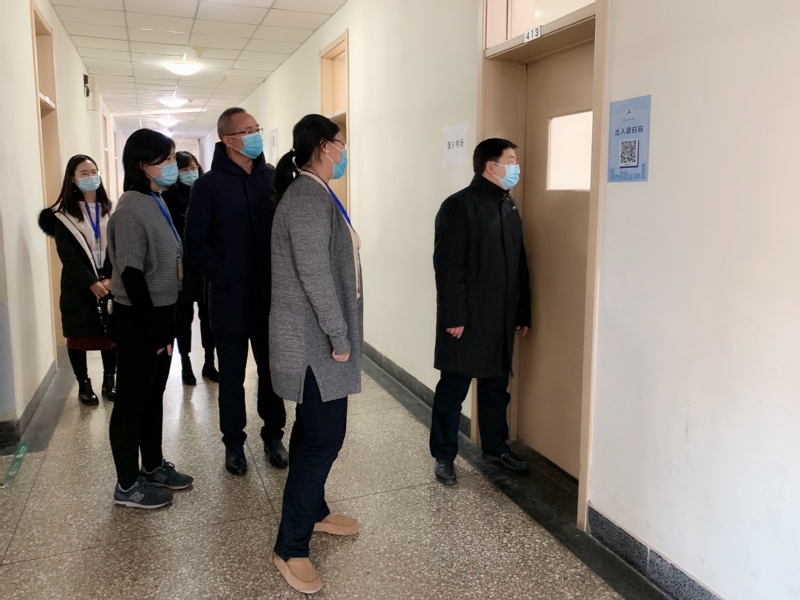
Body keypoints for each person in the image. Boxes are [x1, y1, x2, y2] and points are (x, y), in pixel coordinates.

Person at [269, 114, 362, 594]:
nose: (344, 153)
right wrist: (339, 336)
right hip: (313, 344)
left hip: (314, 339)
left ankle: (315, 511)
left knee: (310, 431)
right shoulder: (306, 196)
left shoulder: (315, 192)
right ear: (324, 146)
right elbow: (315, 275)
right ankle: (291, 547)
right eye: (340, 144)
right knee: (324, 438)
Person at [185, 108, 287, 476]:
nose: (256, 135)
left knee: (272, 374)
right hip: (230, 300)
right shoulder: (208, 186)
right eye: (248, 131)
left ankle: (273, 435)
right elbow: (195, 243)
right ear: (229, 140)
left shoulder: (272, 178)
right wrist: (224, 274)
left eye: (257, 129)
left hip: (269, 299)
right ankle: (233, 443)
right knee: (231, 378)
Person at [430, 138, 532, 485]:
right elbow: (448, 267)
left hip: (500, 318)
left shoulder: (508, 206)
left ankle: (495, 447)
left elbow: (520, 264)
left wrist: (522, 312)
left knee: (495, 389)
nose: (515, 167)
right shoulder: (458, 206)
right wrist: (453, 317)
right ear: (491, 166)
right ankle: (444, 455)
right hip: (467, 320)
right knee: (452, 391)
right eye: (511, 160)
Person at [106, 128, 194, 509]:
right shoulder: (130, 207)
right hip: (138, 316)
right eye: (167, 159)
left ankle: (153, 465)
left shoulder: (155, 199)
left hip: (160, 311)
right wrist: (154, 328)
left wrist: (167, 321)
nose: (174, 165)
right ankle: (127, 485)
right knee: (131, 402)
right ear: (143, 164)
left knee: (152, 396)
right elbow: (131, 272)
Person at [38, 155, 116, 405]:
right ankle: (84, 383)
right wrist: (90, 282)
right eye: (84, 173)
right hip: (78, 285)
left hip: (109, 281)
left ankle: (109, 380)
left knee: (110, 336)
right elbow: (68, 255)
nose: (91, 177)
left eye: (94, 172)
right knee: (78, 336)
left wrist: (110, 279)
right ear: (72, 179)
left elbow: (119, 246)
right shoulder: (63, 216)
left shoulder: (110, 210)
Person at [163, 150, 219, 385]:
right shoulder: (167, 199)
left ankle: (209, 362)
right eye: (184, 169)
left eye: (193, 168)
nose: (190, 173)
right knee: (183, 319)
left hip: (205, 266)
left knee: (209, 318)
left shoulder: (207, 193)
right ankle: (185, 363)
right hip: (182, 269)